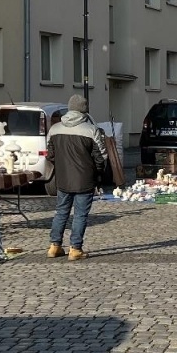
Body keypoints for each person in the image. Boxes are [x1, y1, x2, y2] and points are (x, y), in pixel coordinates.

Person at [47, 94, 107, 260]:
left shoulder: (55, 129)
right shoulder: (91, 130)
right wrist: (98, 174)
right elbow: (101, 157)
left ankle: (54, 246)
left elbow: (50, 155)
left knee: (61, 212)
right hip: (84, 179)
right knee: (80, 215)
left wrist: (61, 166)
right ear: (84, 110)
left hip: (63, 179)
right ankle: (75, 249)